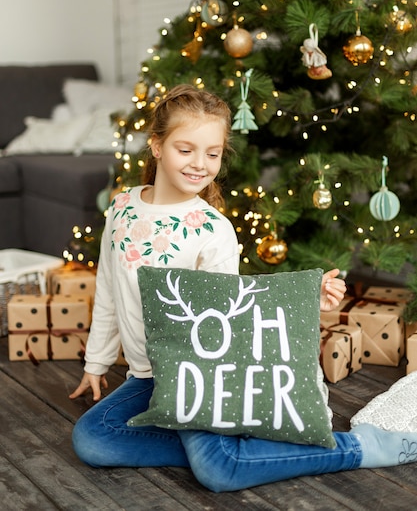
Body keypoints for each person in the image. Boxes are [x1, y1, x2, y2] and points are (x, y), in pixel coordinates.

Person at [70, 84, 417, 493]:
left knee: (219, 471)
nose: (200, 164)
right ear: (157, 146)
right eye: (186, 150)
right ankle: (255, 447)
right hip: (148, 379)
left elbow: (228, 319)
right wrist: (96, 362)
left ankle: (359, 447)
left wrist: (306, 295)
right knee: (92, 438)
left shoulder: (212, 230)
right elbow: (109, 288)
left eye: (212, 154)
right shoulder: (123, 207)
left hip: (198, 379)